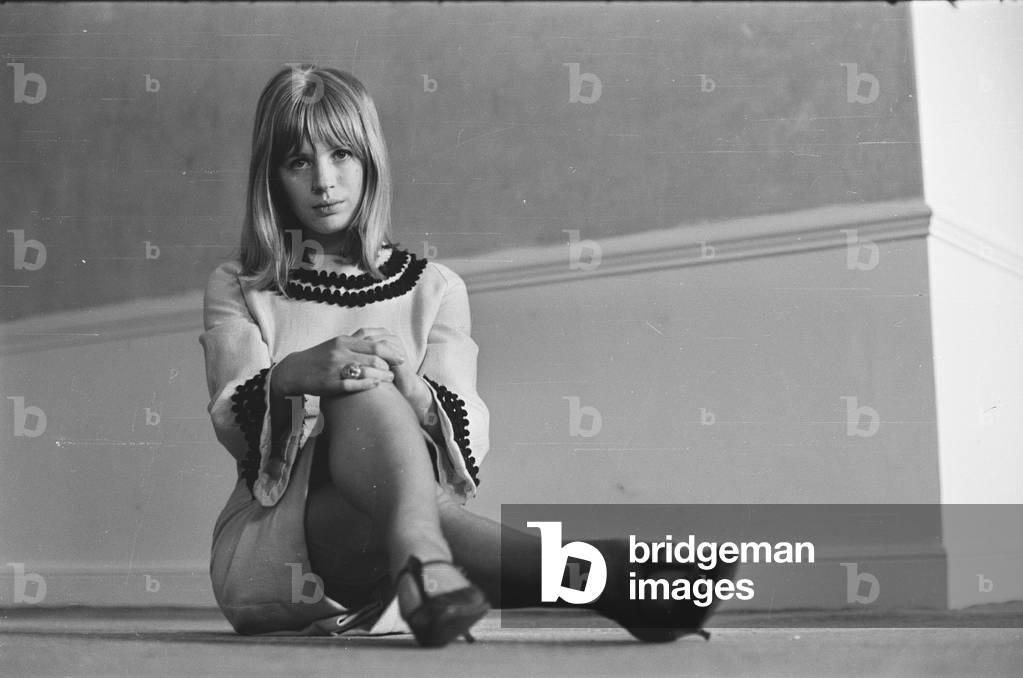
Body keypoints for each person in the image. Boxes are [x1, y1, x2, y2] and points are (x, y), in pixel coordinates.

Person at [200, 64, 735, 648]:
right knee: (362, 384)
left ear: (370, 160)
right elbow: (233, 416)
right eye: (299, 162)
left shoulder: (436, 288)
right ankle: (606, 577)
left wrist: (412, 392)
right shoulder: (241, 285)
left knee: (380, 402)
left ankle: (427, 568)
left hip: (380, 545)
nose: (324, 181)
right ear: (273, 176)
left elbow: (469, 436)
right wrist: (295, 374)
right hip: (276, 545)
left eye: (342, 155)